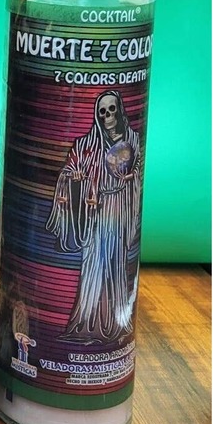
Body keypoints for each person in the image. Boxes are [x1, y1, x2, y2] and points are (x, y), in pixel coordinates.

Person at [46, 89, 142, 342]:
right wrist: (75, 179)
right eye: (102, 112)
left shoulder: (132, 140)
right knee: (93, 264)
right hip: (94, 212)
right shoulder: (85, 145)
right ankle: (86, 321)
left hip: (119, 210)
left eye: (112, 110)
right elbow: (68, 170)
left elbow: (136, 174)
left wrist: (129, 178)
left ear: (119, 111)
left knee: (116, 264)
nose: (108, 116)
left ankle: (114, 322)